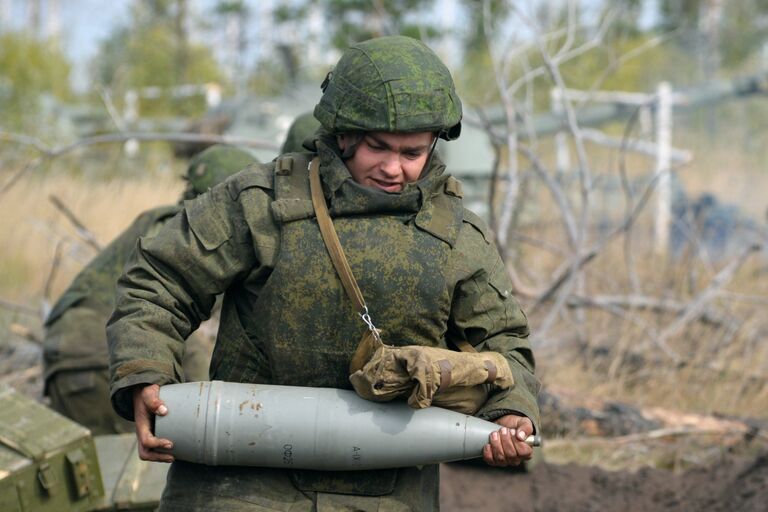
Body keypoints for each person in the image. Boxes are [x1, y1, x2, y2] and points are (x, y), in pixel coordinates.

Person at [107, 36, 540, 511]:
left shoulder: (456, 236)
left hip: (385, 494)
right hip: (238, 483)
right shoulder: (261, 202)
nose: (394, 168)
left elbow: (504, 344)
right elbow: (160, 279)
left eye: (412, 152)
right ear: (343, 133)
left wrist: (512, 413)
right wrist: (144, 373)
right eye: (378, 146)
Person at [43, 145, 257, 434]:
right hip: (105, 359)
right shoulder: (188, 233)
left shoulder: (161, 220)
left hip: (70, 351)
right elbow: (162, 315)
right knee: (130, 472)